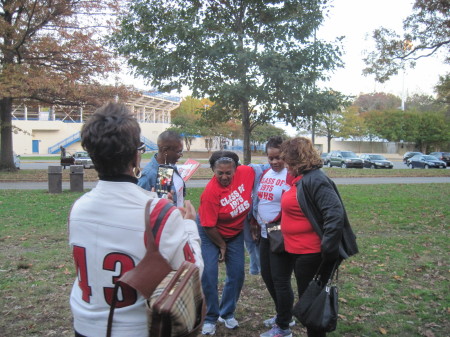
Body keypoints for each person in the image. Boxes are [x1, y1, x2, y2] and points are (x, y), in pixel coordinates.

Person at [68, 102, 203, 337]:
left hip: (83, 325)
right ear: (135, 155)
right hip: (135, 328)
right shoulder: (158, 212)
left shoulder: (78, 208)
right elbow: (192, 272)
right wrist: (189, 225)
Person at [279, 137, 358, 337]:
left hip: (312, 253)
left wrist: (328, 249)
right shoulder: (303, 178)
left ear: (295, 159)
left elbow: (334, 213)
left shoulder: (316, 179)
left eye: (286, 159)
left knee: (312, 306)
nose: (284, 164)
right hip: (299, 252)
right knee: (310, 302)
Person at [198, 151, 255, 335]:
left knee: (237, 274)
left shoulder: (246, 172)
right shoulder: (210, 193)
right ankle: (210, 317)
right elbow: (208, 226)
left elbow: (265, 170)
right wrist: (222, 245)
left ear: (235, 170)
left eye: (228, 173)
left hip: (235, 232)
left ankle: (227, 312)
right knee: (209, 274)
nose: (224, 177)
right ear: (213, 171)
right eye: (219, 173)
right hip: (210, 232)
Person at [251, 136, 295, 337]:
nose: (275, 162)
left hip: (280, 235)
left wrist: (274, 223)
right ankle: (283, 315)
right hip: (264, 234)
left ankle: (284, 327)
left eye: (278, 158)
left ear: (285, 156)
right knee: (267, 276)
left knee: (280, 280)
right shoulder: (266, 173)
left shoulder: (290, 176)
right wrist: (256, 221)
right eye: (271, 158)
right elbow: (260, 200)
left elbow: (291, 205)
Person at [138, 130, 186, 207]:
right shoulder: (148, 176)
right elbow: (140, 207)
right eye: (178, 152)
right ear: (165, 151)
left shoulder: (168, 168)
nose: (181, 155)